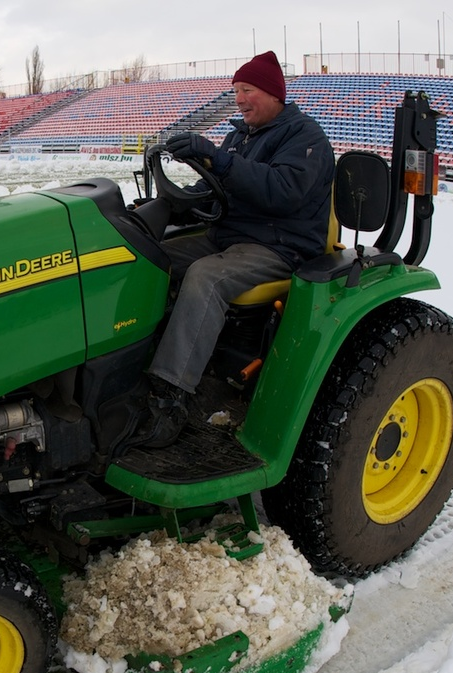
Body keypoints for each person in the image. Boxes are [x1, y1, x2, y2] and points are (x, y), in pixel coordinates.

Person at [135, 50, 335, 448]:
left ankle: (170, 395)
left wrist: (219, 159)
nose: (239, 99)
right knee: (148, 255)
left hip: (279, 244)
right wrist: (169, 205)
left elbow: (281, 192)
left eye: (247, 90)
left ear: (274, 93)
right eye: (236, 90)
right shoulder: (240, 136)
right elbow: (211, 188)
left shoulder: (305, 138)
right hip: (228, 235)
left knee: (206, 277)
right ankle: (132, 357)